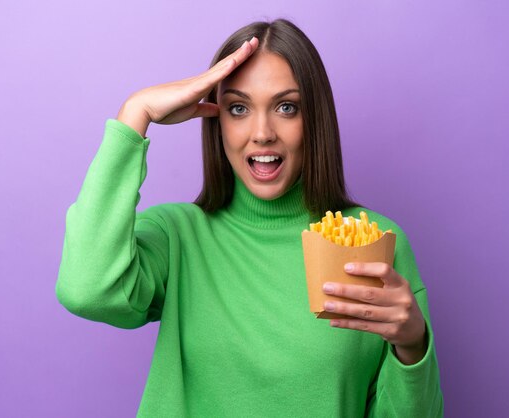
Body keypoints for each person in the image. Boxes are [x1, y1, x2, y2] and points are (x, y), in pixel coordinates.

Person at [56, 19, 444, 417]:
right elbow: (86, 290)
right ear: (217, 120)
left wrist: (413, 346)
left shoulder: (368, 239)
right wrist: (135, 114)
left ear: (315, 119)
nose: (262, 133)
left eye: (286, 107)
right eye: (238, 108)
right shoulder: (177, 238)